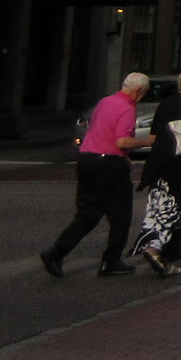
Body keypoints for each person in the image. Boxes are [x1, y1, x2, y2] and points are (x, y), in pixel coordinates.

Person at [40, 72, 155, 278]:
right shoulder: (128, 108)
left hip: (87, 159)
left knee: (88, 213)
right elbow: (122, 140)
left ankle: (56, 252)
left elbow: (99, 130)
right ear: (138, 90)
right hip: (109, 164)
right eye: (144, 93)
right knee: (120, 215)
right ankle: (111, 261)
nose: (143, 96)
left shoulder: (105, 102)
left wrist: (122, 155)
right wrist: (147, 142)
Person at [132, 69, 181, 277]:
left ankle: (156, 250)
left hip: (158, 162)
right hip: (177, 162)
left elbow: (155, 133)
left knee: (158, 206)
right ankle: (159, 252)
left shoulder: (165, 103)